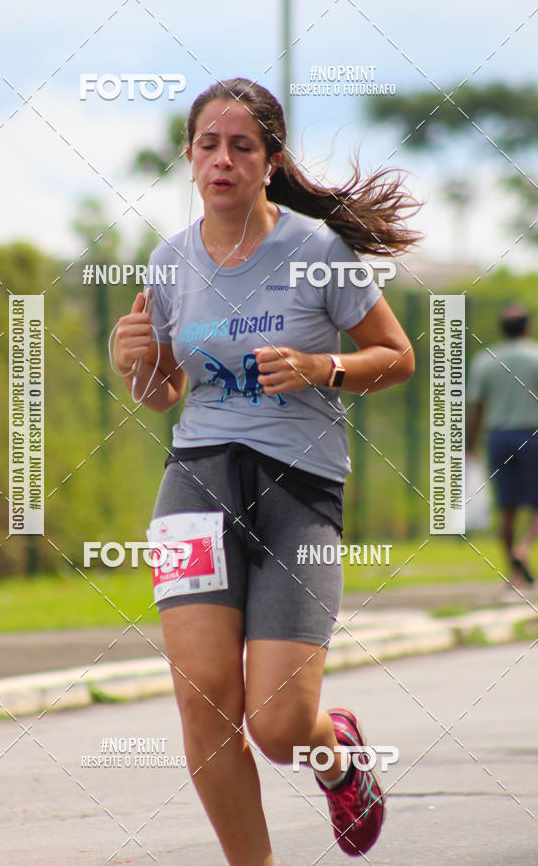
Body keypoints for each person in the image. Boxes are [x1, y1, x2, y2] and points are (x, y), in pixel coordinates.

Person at [112, 78, 419, 864]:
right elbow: (166, 396)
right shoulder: (169, 260)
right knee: (201, 697)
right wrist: (138, 369)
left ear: (270, 161)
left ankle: (338, 754)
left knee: (280, 727)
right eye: (208, 144)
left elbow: (397, 358)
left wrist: (322, 366)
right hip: (197, 482)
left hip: (299, 487)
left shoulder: (319, 254)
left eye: (241, 146)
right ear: (188, 156)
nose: (223, 159)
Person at [467, 304, 538, 590]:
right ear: (527, 327)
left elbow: (478, 408)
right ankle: (524, 548)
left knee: (506, 507)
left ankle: (513, 572)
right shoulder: (535, 356)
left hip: (497, 438)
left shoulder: (485, 360)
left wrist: (470, 445)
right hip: (532, 436)